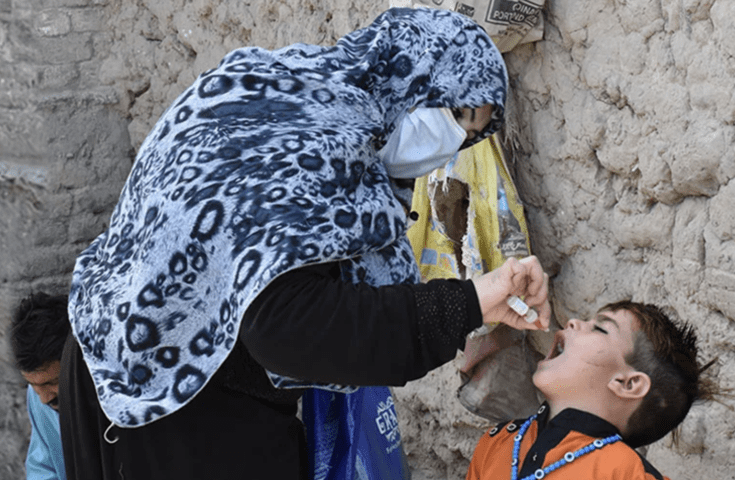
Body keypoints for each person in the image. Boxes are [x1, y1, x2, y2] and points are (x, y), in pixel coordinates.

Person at [60, 7, 551, 480]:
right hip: (176, 396)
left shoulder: (275, 86)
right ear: (411, 76)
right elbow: (288, 328)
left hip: (107, 356)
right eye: (457, 114)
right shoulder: (324, 144)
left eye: (469, 133)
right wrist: (467, 304)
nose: (449, 141)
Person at [466, 301, 718, 480]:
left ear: (627, 384)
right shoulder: (496, 442)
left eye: (599, 328)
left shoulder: (626, 474)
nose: (573, 322)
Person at [10, 292, 70, 480]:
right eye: (33, 385)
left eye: (52, 383)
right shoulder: (36, 395)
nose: (44, 399)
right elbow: (42, 467)